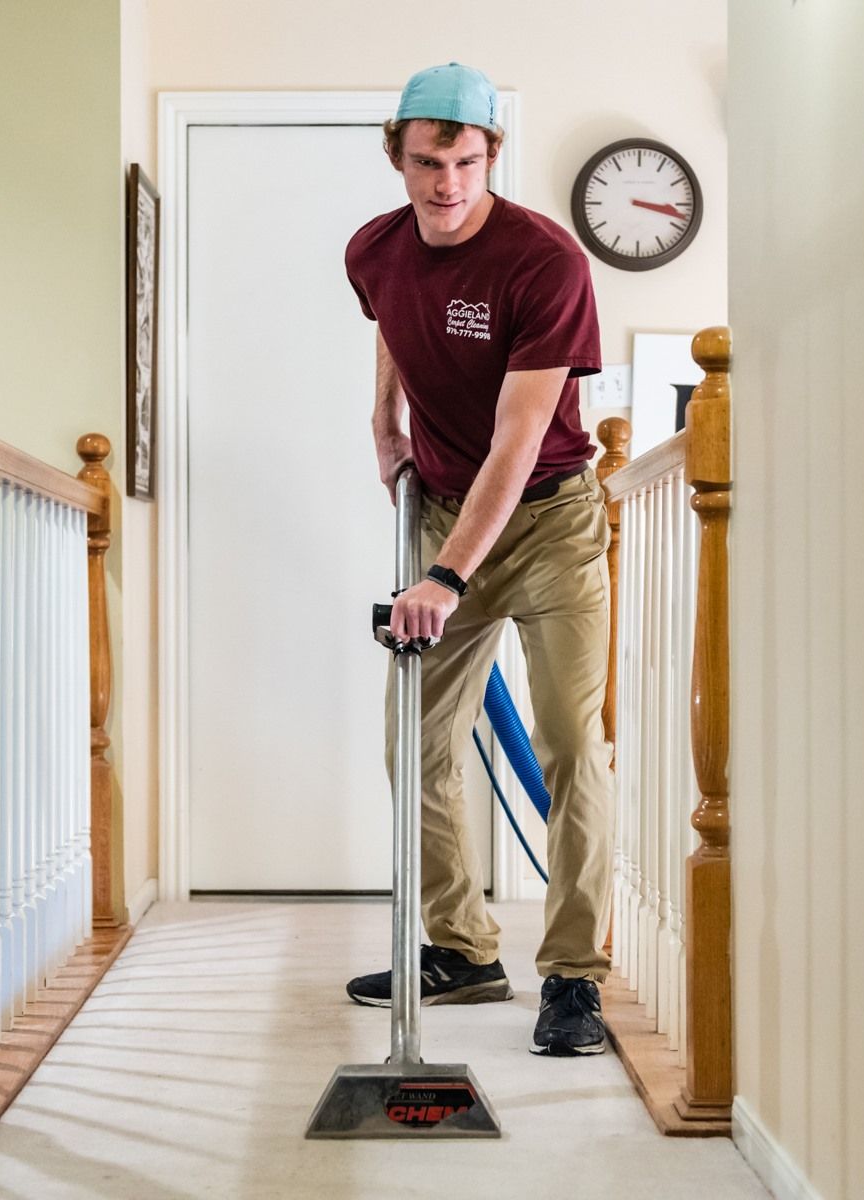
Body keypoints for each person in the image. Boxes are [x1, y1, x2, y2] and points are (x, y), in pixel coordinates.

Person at [343, 62, 615, 1057]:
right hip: (443, 512)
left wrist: (447, 577)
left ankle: (575, 976)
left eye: (465, 161)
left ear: (491, 155)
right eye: (427, 162)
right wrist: (383, 421)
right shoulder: (372, 248)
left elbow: (518, 438)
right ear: (396, 156)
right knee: (411, 744)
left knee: (570, 745)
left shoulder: (545, 262)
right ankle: (463, 949)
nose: (446, 183)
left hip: (546, 520)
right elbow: (391, 324)